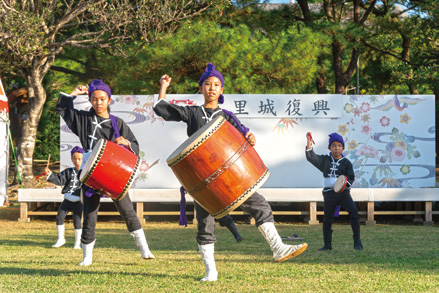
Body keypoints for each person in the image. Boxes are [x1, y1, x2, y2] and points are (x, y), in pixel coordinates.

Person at [154, 63, 308, 282]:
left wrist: (250, 137)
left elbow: (244, 135)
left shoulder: (227, 117)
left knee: (260, 206)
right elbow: (161, 109)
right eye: (207, 84)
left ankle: (278, 248)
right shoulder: (192, 113)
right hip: (202, 180)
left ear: (222, 90)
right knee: (206, 225)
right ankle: (211, 272)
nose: (212, 88)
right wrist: (163, 86)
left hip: (229, 179)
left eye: (216, 84)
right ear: (201, 88)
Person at [56, 79, 154, 266]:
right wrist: (74, 93)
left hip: (113, 174)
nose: (98, 102)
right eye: (94, 99)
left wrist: (126, 144)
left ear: (109, 100)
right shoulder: (83, 119)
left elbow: (135, 145)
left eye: (102, 99)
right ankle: (87, 257)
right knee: (90, 215)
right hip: (91, 175)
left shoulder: (117, 123)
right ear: (90, 100)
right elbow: (63, 109)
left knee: (127, 211)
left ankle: (144, 248)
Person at [305, 132, 363, 251]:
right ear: (329, 148)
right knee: (327, 219)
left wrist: (343, 186)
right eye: (334, 146)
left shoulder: (346, 163)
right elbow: (311, 157)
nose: (337, 148)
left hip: (343, 193)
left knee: (354, 213)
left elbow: (350, 178)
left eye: (339, 146)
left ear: (343, 148)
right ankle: (327, 245)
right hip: (329, 193)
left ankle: (357, 240)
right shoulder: (325, 160)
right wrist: (309, 143)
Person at [45, 146, 84, 249]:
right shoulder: (68, 171)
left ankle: (77, 243)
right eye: (75, 159)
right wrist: (50, 174)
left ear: (83, 159)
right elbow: (59, 180)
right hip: (67, 199)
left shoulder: (85, 172)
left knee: (77, 221)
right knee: (59, 217)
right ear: (71, 159)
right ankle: (60, 239)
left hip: (78, 202)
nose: (77, 161)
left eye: (80, 159)